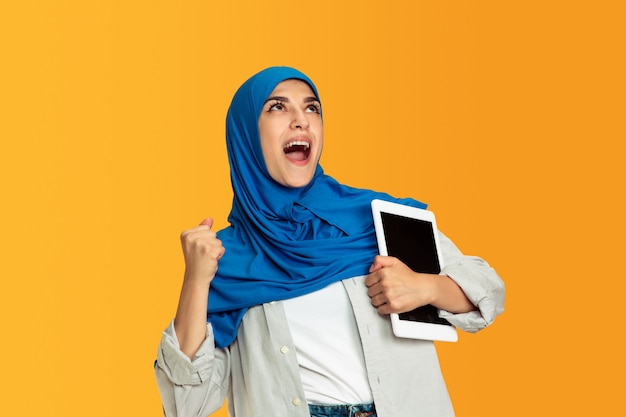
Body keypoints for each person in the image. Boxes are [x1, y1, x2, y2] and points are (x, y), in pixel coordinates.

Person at [154, 66, 505, 417]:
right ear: (246, 134)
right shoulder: (225, 260)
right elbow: (186, 405)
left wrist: (426, 287)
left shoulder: (376, 218)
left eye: (312, 108)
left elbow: (488, 289)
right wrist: (196, 281)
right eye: (277, 107)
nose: (300, 120)